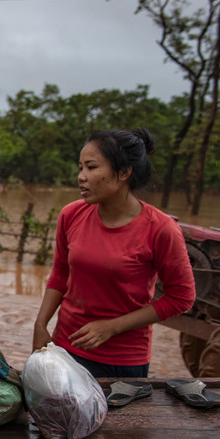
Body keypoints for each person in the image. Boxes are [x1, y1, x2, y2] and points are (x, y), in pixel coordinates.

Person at [32, 128, 195, 377]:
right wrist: (41, 324)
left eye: (91, 167)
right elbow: (61, 272)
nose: (81, 177)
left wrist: (112, 327)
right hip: (66, 348)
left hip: (123, 360)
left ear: (124, 172)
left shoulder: (161, 229)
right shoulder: (72, 214)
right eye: (81, 168)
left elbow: (181, 298)